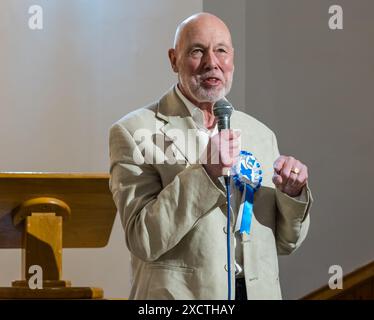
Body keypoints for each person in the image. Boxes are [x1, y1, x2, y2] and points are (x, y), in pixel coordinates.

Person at [109, 12, 313, 300]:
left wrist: (292, 195)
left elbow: (287, 242)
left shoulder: (260, 134)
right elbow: (143, 238)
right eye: (197, 51)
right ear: (173, 59)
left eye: (221, 51)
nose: (211, 62)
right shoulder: (135, 131)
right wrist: (205, 173)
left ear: (232, 59)